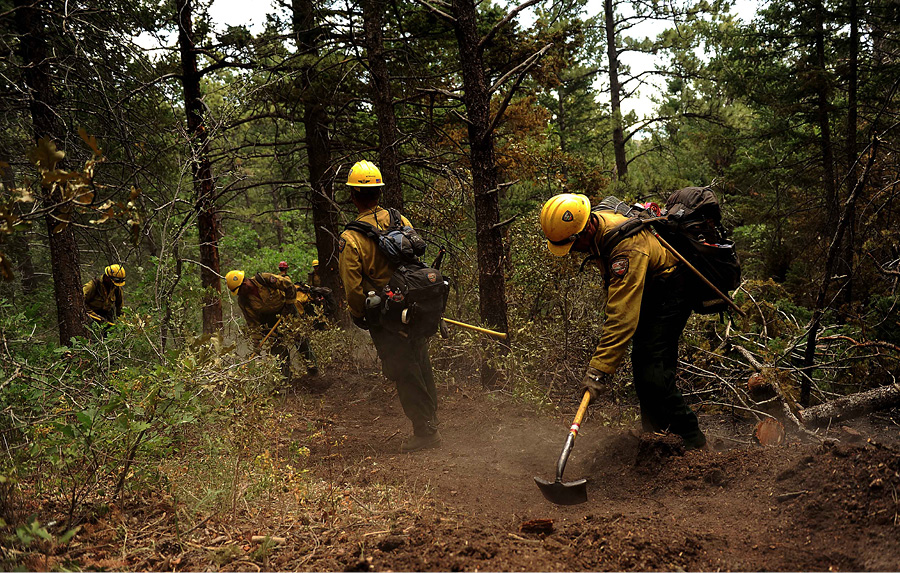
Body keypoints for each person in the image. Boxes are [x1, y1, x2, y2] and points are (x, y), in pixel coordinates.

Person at [539, 193, 707, 450]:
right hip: (651, 291)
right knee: (643, 365)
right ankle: (658, 438)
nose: (572, 252)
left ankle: (694, 443)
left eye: (571, 246)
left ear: (581, 233)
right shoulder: (595, 229)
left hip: (671, 291)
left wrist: (599, 369)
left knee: (655, 371)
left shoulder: (626, 249)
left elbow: (621, 318)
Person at [338, 160, 441, 453]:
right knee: (420, 360)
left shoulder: (351, 238)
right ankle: (430, 421)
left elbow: (353, 287)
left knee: (404, 369)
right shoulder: (400, 219)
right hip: (415, 305)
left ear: (353, 195)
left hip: (387, 316)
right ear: (379, 192)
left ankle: (425, 432)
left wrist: (360, 315)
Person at [226, 269, 317, 381]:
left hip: (287, 310)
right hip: (268, 320)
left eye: (238, 291)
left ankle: (313, 371)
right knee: (278, 350)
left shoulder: (264, 279)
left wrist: (288, 304)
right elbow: (252, 322)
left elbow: (288, 286)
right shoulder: (244, 301)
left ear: (244, 284)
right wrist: (256, 341)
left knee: (300, 338)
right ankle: (286, 380)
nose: (239, 294)